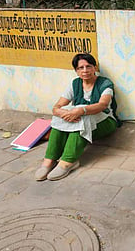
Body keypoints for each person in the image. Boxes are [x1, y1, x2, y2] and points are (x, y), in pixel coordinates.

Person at [35, 53, 120, 181]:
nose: (85, 70)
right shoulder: (75, 84)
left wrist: (81, 110)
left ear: (94, 68)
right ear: (76, 71)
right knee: (60, 116)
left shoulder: (105, 83)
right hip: (81, 119)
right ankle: (49, 161)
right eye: (80, 68)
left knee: (82, 118)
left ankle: (68, 162)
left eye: (88, 66)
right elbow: (57, 107)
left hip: (105, 121)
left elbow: (102, 105)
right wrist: (62, 113)